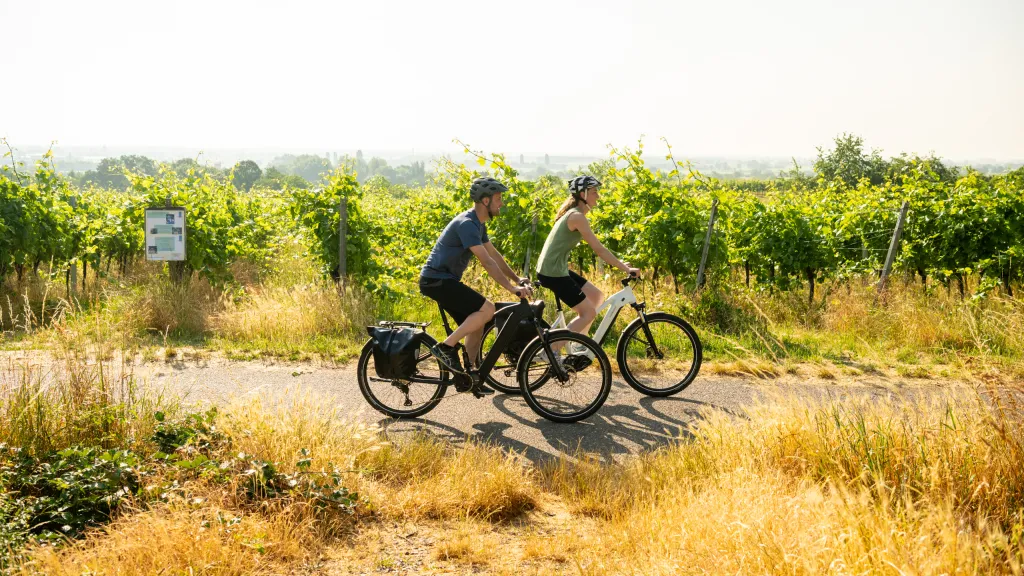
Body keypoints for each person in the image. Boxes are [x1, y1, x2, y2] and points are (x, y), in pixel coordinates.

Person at [420, 177, 533, 395]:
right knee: (487, 309)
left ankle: (470, 376)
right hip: (436, 280)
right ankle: (445, 348)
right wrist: (512, 289)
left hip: (445, 281)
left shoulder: (478, 224)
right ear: (485, 200)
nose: (501, 203)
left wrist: (517, 279)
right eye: (498, 199)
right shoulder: (467, 224)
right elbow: (487, 262)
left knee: (478, 321)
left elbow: (494, 255)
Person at [536, 175, 640, 338]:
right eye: (594, 192)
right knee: (588, 314)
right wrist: (625, 269)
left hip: (554, 269)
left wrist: (621, 264)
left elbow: (600, 248)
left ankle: (580, 344)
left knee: (596, 296)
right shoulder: (577, 217)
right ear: (582, 194)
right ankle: (554, 348)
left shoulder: (574, 214)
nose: (598, 196)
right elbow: (599, 250)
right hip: (553, 273)